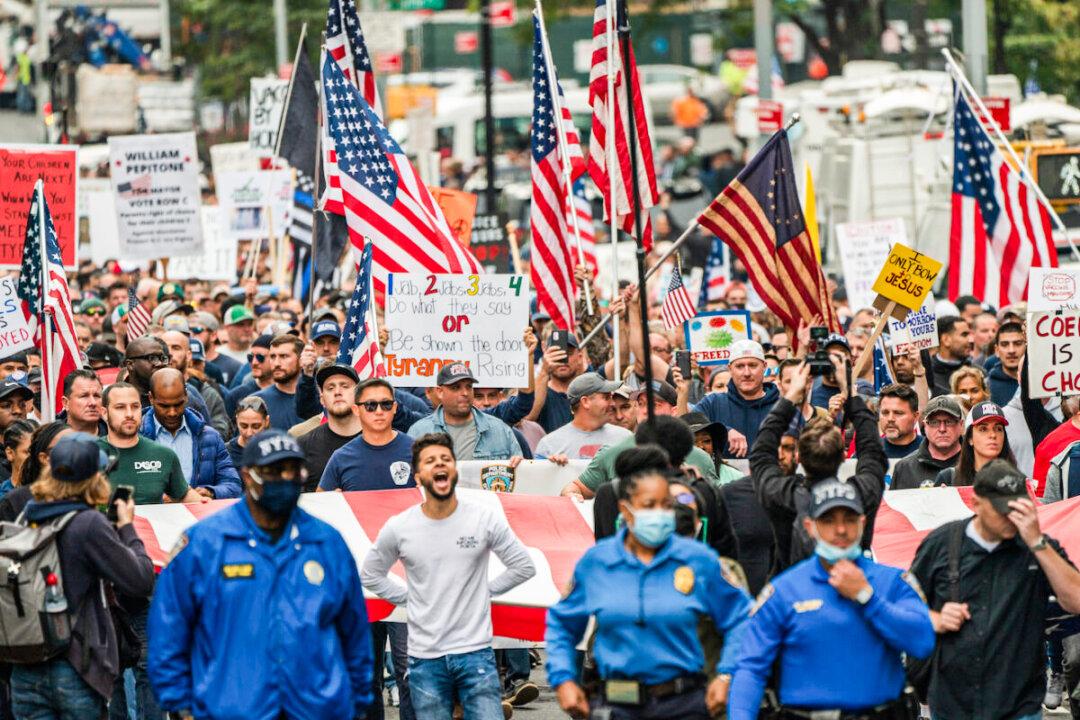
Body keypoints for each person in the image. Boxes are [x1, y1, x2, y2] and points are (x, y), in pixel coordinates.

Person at [148, 429, 375, 720]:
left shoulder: (326, 542)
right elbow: (169, 629)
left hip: (317, 708)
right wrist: (180, 705)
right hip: (233, 708)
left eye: (293, 471)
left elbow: (354, 631)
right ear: (247, 476)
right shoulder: (204, 543)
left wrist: (356, 700)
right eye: (273, 471)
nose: (284, 479)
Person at [546, 445, 750, 720]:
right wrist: (564, 680)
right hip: (615, 705)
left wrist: (726, 676)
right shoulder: (597, 563)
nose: (660, 514)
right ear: (625, 511)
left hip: (684, 704)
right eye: (649, 505)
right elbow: (562, 624)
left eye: (666, 505)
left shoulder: (698, 561)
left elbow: (740, 618)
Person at [361, 433, 536, 720]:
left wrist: (485, 591)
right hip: (425, 659)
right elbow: (370, 574)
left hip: (476, 652)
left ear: (454, 470)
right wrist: (407, 598)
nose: (440, 464)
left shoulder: (483, 518)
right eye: (430, 461)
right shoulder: (400, 526)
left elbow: (523, 566)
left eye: (446, 459)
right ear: (417, 477)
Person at [729, 479, 935, 720]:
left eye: (849, 519)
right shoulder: (784, 590)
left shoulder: (894, 582)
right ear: (810, 527)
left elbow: (922, 642)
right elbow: (750, 668)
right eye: (828, 521)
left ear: (863, 523)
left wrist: (867, 597)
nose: (840, 530)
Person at [910, 459, 1080, 719]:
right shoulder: (941, 544)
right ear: (976, 503)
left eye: (1016, 507)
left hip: (1018, 705)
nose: (1010, 517)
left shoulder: (1038, 547)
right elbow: (905, 606)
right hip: (953, 704)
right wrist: (935, 618)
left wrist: (1037, 542)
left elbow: (1076, 600)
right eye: (1001, 509)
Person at [11, 433, 155, 719]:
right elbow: (140, 580)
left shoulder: (26, 517)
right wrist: (126, 527)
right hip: (76, 666)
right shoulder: (88, 524)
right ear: (95, 478)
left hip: (25, 667)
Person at [753, 362, 887, 572]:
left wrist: (790, 397)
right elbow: (872, 452)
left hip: (795, 593)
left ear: (799, 457)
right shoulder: (861, 492)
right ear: (843, 457)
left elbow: (761, 454)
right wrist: (851, 394)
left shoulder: (784, 495)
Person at [562, 380, 719, 499]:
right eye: (641, 404)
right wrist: (572, 495)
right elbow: (575, 487)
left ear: (674, 411)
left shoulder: (700, 458)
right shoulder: (612, 453)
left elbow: (716, 503)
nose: (645, 411)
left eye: (655, 405)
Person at [140, 368, 242, 499]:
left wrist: (211, 492)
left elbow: (233, 485)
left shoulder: (210, 438)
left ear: (186, 396)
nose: (172, 412)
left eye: (178, 404)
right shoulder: (136, 437)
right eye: (164, 406)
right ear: (151, 398)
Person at [99, 382, 203, 505]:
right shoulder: (88, 454)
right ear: (104, 413)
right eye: (120, 407)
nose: (129, 414)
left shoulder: (163, 455)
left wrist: (208, 506)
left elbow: (184, 496)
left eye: (135, 406)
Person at [685, 339, 779, 458]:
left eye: (752, 365)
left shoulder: (781, 406)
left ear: (764, 366)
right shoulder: (713, 403)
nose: (747, 373)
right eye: (739, 366)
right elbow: (686, 428)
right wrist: (724, 431)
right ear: (730, 369)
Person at [407, 364, 520, 462]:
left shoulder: (500, 430)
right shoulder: (419, 431)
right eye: (456, 387)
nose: (465, 393)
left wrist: (520, 465)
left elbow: (518, 477)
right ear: (440, 392)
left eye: (469, 387)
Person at [320, 378, 415, 492]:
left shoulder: (416, 451)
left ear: (394, 408)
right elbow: (320, 502)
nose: (379, 411)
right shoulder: (341, 457)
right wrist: (332, 500)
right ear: (356, 410)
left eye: (386, 404)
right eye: (370, 405)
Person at [535, 373, 631, 460]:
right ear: (585, 402)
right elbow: (538, 478)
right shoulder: (549, 446)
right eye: (606, 398)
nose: (613, 403)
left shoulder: (626, 439)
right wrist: (552, 468)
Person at [297, 364, 362, 490]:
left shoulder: (378, 439)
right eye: (330, 388)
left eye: (345, 386)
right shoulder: (303, 445)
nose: (337, 392)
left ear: (358, 394)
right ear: (322, 399)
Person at [163, 330, 230, 438]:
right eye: (165, 348)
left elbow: (219, 436)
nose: (169, 353)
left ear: (189, 355)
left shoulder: (207, 395)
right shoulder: (148, 390)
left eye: (176, 348)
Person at [0, 422, 72, 522]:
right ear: (44, 458)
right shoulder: (14, 501)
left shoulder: (89, 495)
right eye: (65, 448)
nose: (74, 454)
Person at [934, 401, 1016, 487]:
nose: (993, 435)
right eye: (983, 429)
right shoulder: (948, 478)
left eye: (998, 429)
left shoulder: (1016, 481)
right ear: (970, 438)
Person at [891, 395, 965, 490]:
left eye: (949, 422)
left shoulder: (977, 463)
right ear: (925, 426)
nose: (942, 429)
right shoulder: (905, 468)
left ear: (961, 425)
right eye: (934, 422)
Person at [253, 335, 304, 430]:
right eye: (272, 357)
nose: (276, 363)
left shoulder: (317, 399)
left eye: (284, 356)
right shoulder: (258, 401)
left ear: (301, 360)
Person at [225, 334, 274, 414]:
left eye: (260, 357)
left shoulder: (289, 391)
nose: (254, 363)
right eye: (250, 357)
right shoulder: (236, 395)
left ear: (274, 358)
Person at [877, 383, 922, 459]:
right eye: (885, 413)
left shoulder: (932, 450)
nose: (890, 419)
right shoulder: (868, 452)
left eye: (898, 413)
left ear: (915, 417)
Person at [227, 395, 272, 469]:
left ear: (266, 421)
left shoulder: (275, 451)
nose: (249, 433)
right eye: (244, 426)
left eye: (256, 426)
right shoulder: (226, 453)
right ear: (237, 420)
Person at [931, 317, 972, 396]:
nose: (970, 340)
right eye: (964, 335)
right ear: (946, 339)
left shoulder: (978, 372)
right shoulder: (927, 376)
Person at [988, 321, 1025, 405]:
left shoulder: (1037, 383)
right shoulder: (987, 387)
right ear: (997, 350)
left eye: (1017, 343)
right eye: (1005, 344)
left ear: (1027, 346)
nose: (1011, 350)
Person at [60, 369, 105, 436]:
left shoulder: (116, 438)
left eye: (96, 396)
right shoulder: (49, 441)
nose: (93, 403)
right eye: (84, 396)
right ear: (66, 403)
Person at [0, 418, 36, 494]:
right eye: (28, 452)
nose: (35, 457)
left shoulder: (53, 493)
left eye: (38, 451)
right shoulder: (2, 495)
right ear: (10, 453)